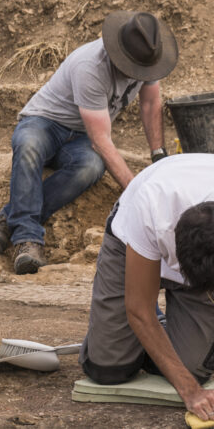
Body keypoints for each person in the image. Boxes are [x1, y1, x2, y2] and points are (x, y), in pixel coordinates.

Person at [0, 11, 177, 275]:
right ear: (120, 53)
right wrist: (137, 190)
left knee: (91, 167)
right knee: (28, 144)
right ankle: (27, 240)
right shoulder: (91, 66)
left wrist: (159, 157)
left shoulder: (147, 56)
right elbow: (102, 141)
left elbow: (151, 103)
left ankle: (6, 219)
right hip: (45, 122)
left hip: (81, 135)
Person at [80, 154, 214, 422]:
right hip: (132, 243)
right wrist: (190, 391)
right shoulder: (150, 206)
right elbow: (140, 310)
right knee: (108, 368)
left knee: (193, 367)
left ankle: (157, 333)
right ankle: (114, 335)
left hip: (202, 251)